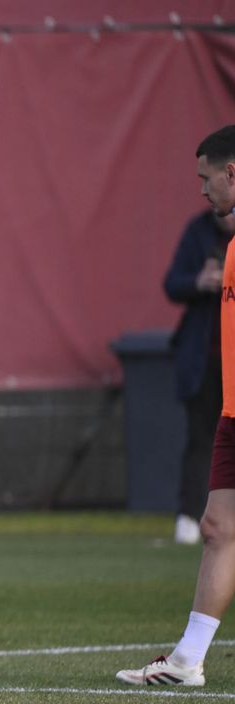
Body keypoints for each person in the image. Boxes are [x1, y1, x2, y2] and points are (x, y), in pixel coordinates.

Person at [117, 125, 235, 686]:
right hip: (232, 411)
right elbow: (175, 283)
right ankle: (188, 660)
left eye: (205, 177)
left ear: (230, 172)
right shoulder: (223, 241)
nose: (202, 190)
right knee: (217, 527)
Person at [164, 210, 235, 544]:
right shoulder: (198, 230)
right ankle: (190, 518)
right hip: (207, 360)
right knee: (202, 439)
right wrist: (200, 281)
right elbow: (172, 283)